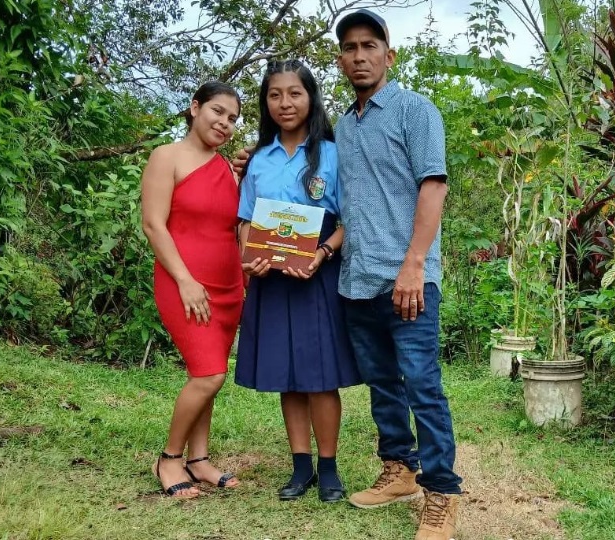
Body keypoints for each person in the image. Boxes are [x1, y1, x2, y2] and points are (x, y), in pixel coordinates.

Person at [334, 10, 461, 540]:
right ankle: (399, 470)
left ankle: (442, 493)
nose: (359, 56)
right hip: (356, 279)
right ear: (341, 59)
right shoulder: (342, 125)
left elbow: (434, 187)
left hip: (408, 279)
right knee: (383, 385)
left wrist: (413, 265)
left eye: (370, 45)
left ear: (389, 53)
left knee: (422, 385)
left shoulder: (415, 110)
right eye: (350, 47)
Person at [235, 59, 361, 504]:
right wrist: (249, 258)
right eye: (274, 95)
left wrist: (322, 253)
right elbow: (246, 219)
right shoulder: (258, 160)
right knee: (288, 375)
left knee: (320, 375)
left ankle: (329, 469)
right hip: (271, 280)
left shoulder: (333, 153)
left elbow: (349, 220)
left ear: (311, 98)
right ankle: (301, 466)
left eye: (294, 93)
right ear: (265, 103)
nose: (285, 103)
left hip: (317, 278)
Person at [141, 81, 243, 498]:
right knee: (209, 374)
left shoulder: (227, 168)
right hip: (184, 283)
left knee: (210, 372)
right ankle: (169, 458)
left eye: (233, 118)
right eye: (218, 112)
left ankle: (199, 459)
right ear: (194, 107)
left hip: (229, 286)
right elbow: (153, 224)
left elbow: (237, 227)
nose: (225, 123)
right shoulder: (166, 157)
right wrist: (185, 280)